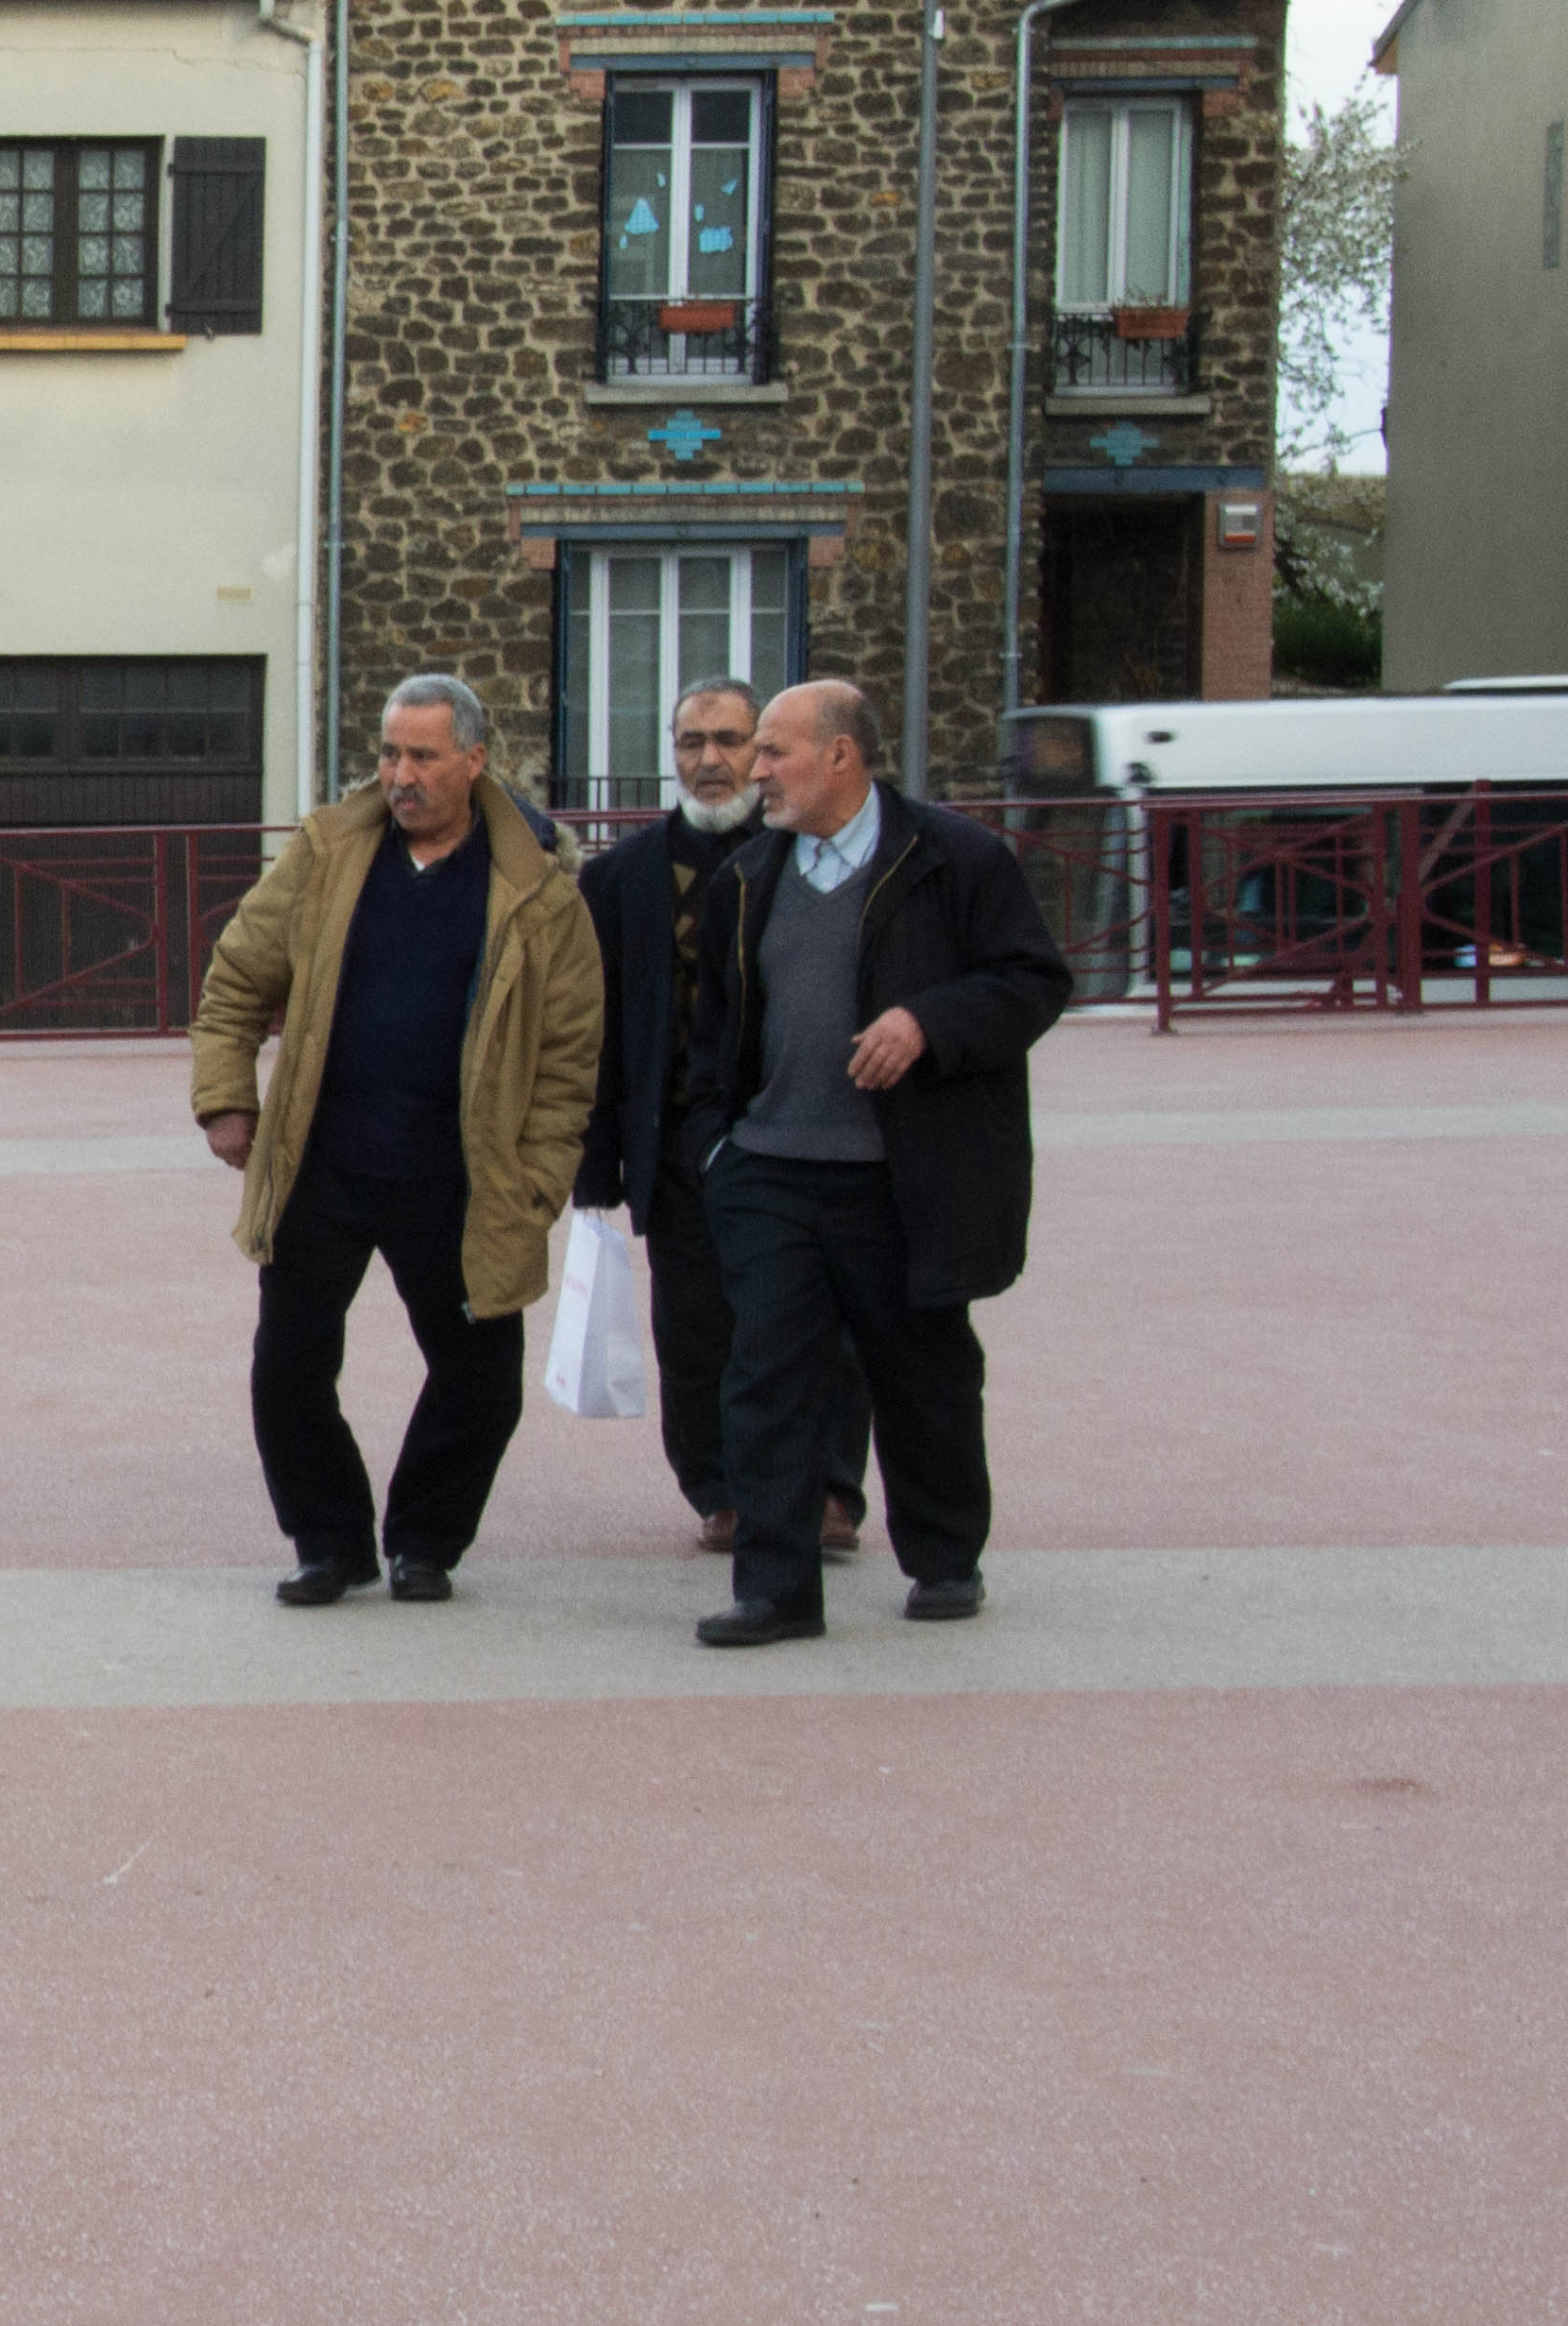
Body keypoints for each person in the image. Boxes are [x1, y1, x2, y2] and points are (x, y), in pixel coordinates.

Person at [188, 673, 601, 1606]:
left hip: (462, 1175)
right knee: (287, 1363)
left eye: (420, 755)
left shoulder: (536, 886)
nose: (399, 774)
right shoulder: (326, 852)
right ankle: (327, 1542)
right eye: (387, 753)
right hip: (321, 1162)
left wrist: (537, 1180)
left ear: (473, 760)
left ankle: (424, 1539)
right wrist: (225, 1096)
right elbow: (236, 976)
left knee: (477, 1378)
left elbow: (569, 1055)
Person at [683, 679, 1072, 1647]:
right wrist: (716, 1149)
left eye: (772, 751)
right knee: (764, 1376)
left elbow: (1031, 980)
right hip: (769, 1168)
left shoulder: (957, 860)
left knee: (920, 1373)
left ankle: (944, 1559)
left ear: (841, 755)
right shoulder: (746, 873)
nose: (751, 770)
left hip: (900, 1174)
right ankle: (773, 1588)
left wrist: (925, 1021)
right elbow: (717, 1025)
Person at [572, 676, 867, 1559]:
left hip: (793, 1129)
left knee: (821, 1324)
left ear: (763, 751)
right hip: (674, 1143)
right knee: (696, 1331)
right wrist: (596, 1167)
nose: (710, 760)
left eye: (731, 741)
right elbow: (600, 1028)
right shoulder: (620, 878)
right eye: (690, 741)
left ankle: (829, 1489)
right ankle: (722, 1488)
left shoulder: (807, 857)